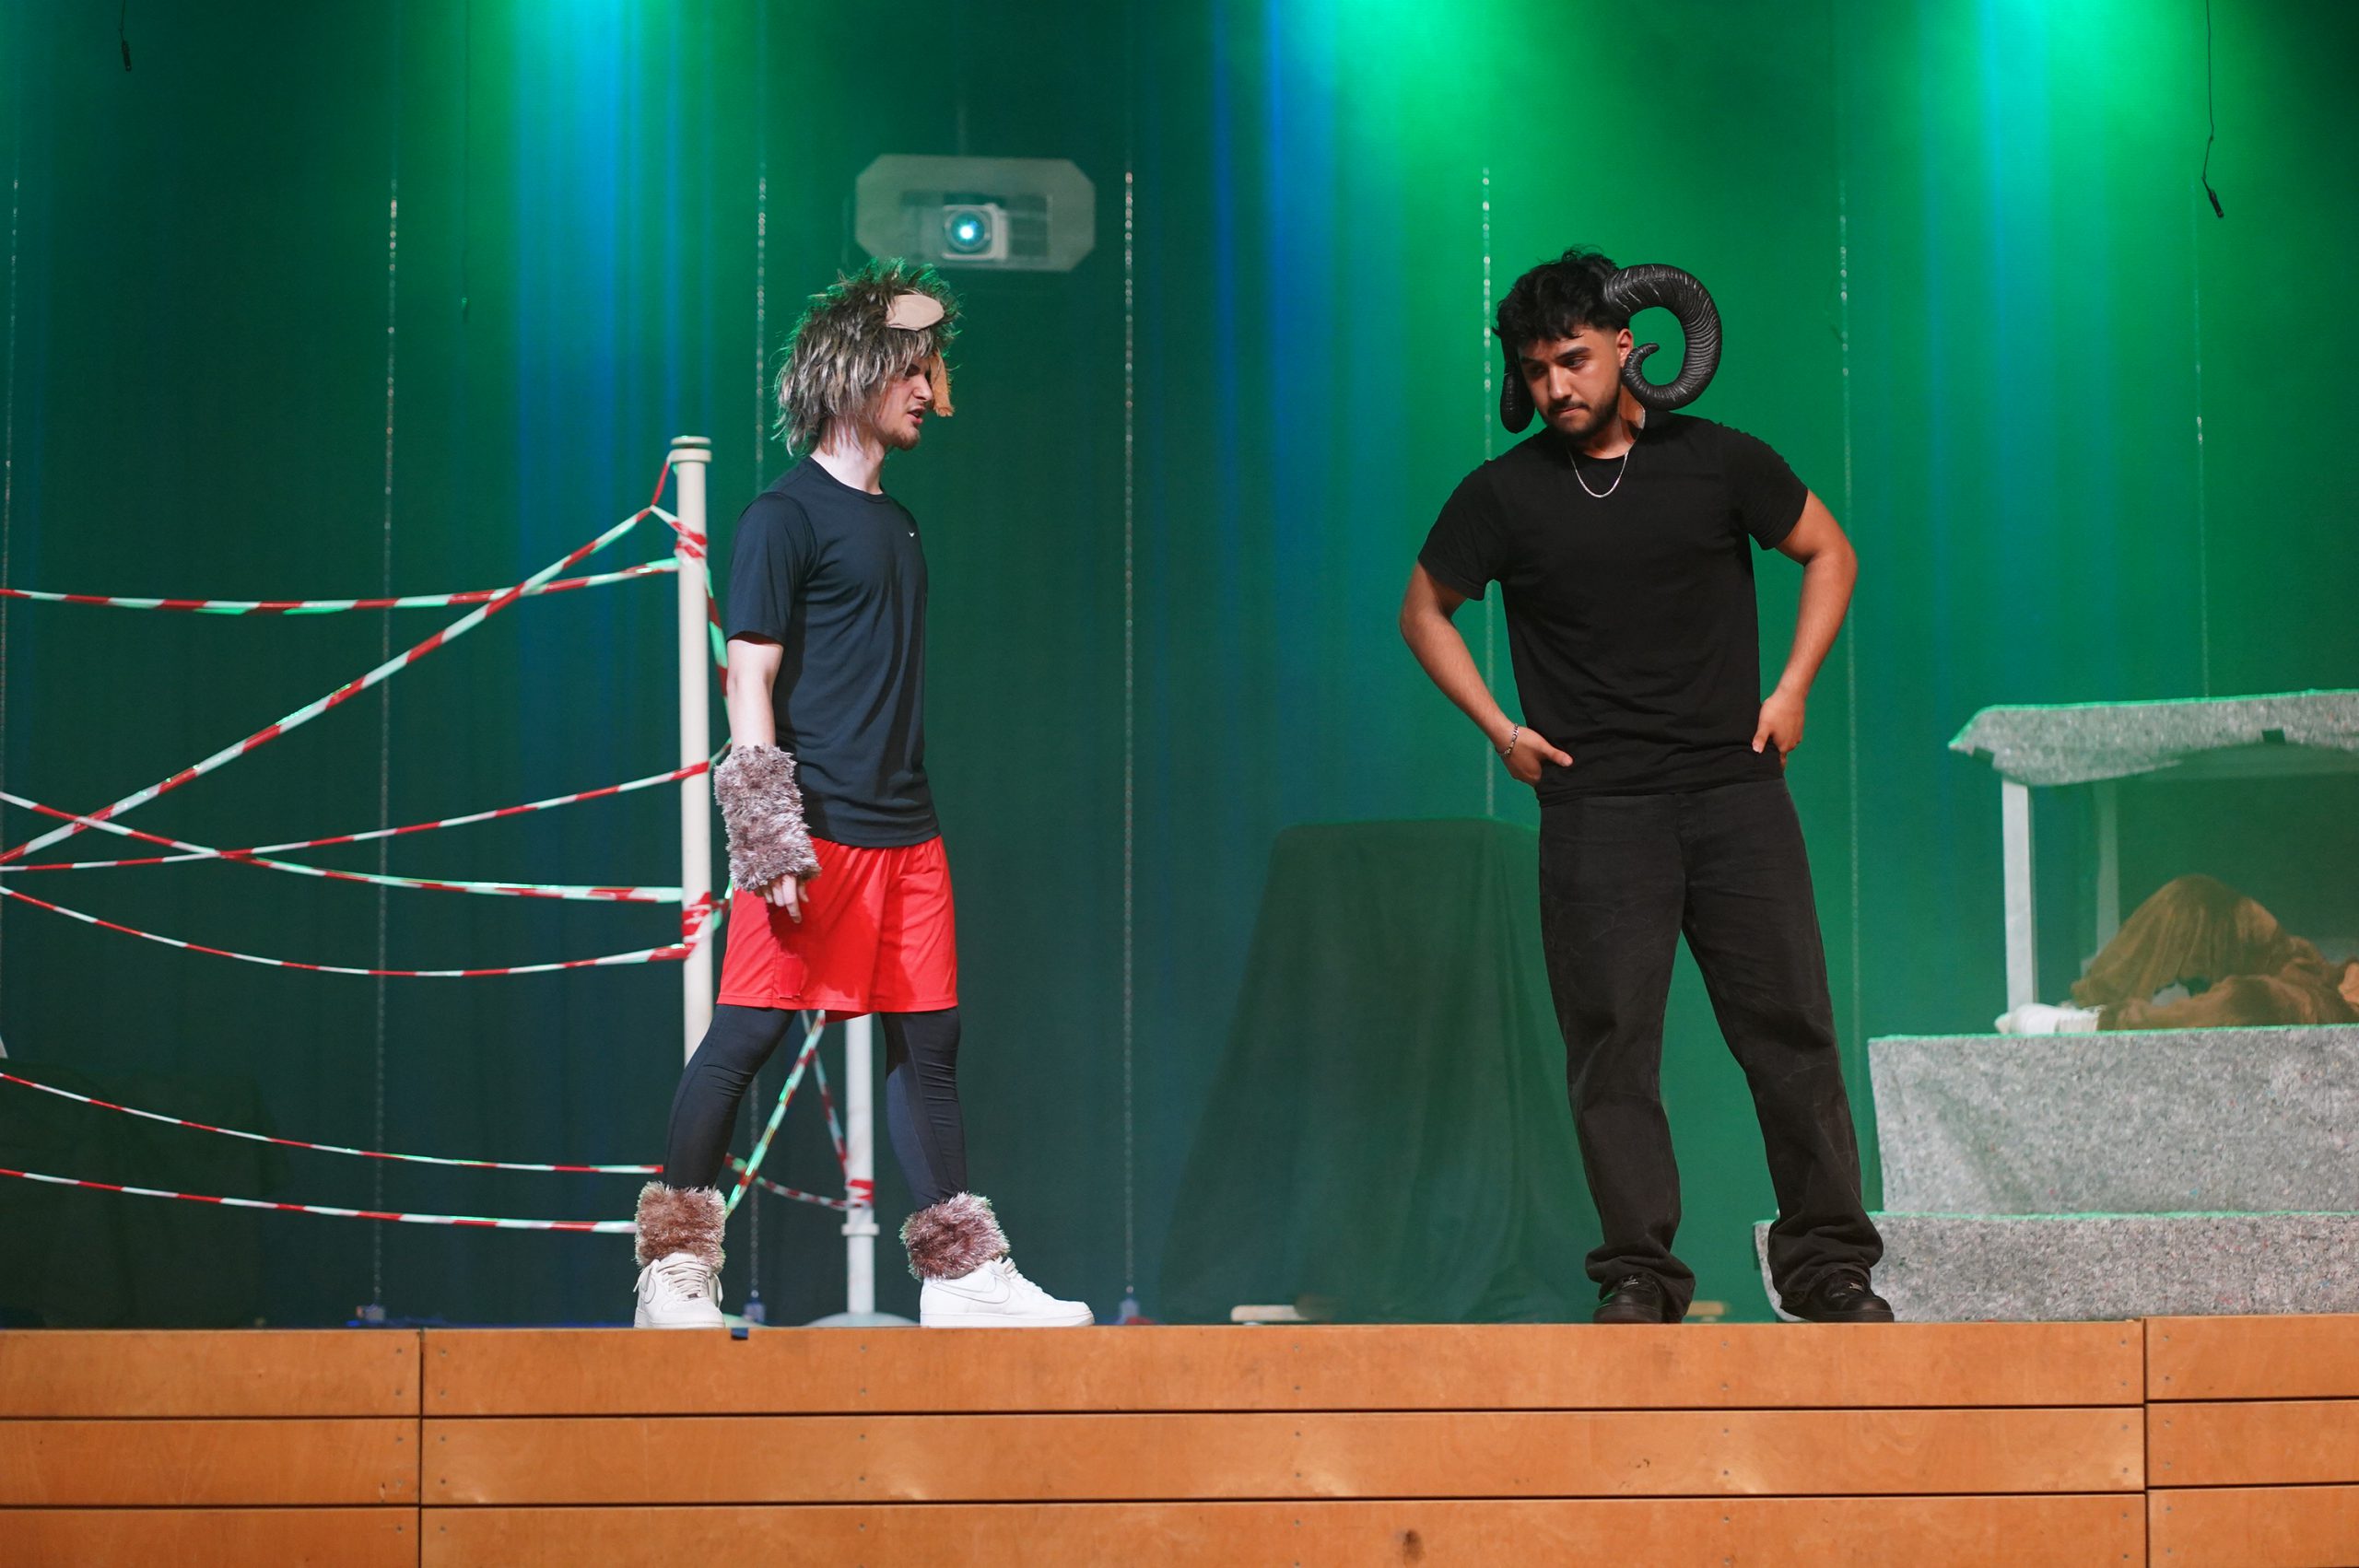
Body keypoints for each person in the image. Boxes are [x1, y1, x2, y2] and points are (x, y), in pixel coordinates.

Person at [1398, 247, 1891, 1325]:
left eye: (1572, 359)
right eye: (1534, 370)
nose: (1554, 387)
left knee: (1789, 1029)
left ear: (1627, 345)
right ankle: (1638, 1273)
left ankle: (1828, 1267)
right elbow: (1423, 609)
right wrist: (1500, 728)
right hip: (1597, 809)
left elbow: (1828, 551)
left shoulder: (1716, 461)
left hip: (1733, 793)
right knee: (1611, 1049)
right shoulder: (1503, 494)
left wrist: (1792, 688)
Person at [630, 259, 1090, 1330]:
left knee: (929, 1044)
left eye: (933, 371)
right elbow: (749, 679)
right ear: (856, 372)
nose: (930, 392)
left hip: (906, 832)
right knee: (745, 1035)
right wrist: (770, 839)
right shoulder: (781, 516)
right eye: (912, 370)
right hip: (817, 831)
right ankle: (673, 1270)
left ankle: (962, 1277)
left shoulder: (900, 524)